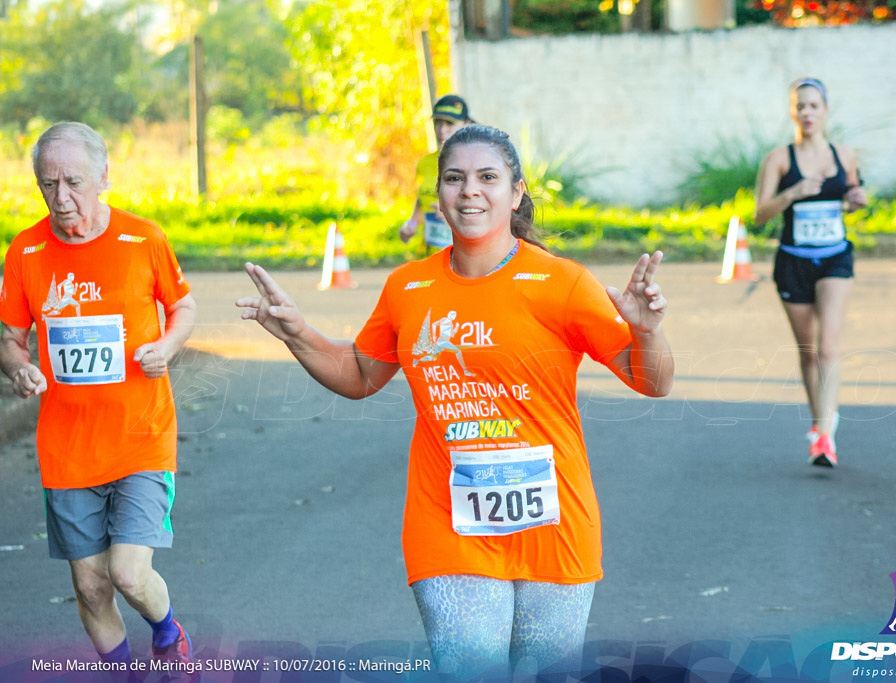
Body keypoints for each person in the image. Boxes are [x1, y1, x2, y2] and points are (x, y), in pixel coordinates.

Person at [237, 124, 674, 680]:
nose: (470, 191)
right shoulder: (408, 288)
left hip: (555, 524)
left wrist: (648, 331)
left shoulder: (561, 283)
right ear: (438, 194)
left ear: (516, 193)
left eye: (488, 177)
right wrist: (298, 334)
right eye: (455, 178)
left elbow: (651, 380)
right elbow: (360, 374)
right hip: (448, 525)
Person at [0, 122, 198, 671]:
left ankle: (167, 631)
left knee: (128, 574)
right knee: (90, 587)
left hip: (141, 439)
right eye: (48, 184)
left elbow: (184, 307)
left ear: (104, 176)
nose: (62, 198)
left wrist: (168, 344)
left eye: (73, 181)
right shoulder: (26, 250)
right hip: (67, 450)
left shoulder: (144, 239)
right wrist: (19, 369)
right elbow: (10, 339)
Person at [754, 78, 867, 468]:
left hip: (835, 257)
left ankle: (824, 434)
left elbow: (854, 194)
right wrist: (794, 192)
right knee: (808, 350)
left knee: (829, 346)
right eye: (800, 106)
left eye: (814, 105)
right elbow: (760, 214)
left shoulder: (844, 155)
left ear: (825, 110)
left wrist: (856, 200)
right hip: (793, 261)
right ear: (792, 112)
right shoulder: (779, 159)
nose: (807, 112)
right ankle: (820, 424)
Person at [399, 94, 474, 255]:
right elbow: (423, 198)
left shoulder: (477, 162)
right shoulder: (425, 163)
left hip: (463, 258)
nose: (441, 129)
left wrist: (453, 216)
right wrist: (411, 224)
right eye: (438, 122)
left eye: (449, 123)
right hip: (429, 255)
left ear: (466, 124)